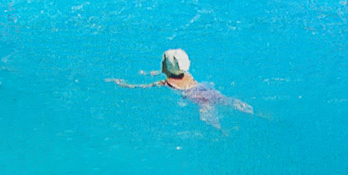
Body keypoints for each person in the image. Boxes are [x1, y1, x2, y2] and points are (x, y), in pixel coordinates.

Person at [107, 49, 252, 129]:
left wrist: (121, 84)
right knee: (228, 101)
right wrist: (151, 72)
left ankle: (223, 132)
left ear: (166, 67)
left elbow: (141, 87)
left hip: (194, 96)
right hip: (205, 88)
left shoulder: (166, 82)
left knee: (210, 118)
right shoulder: (188, 74)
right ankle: (255, 112)